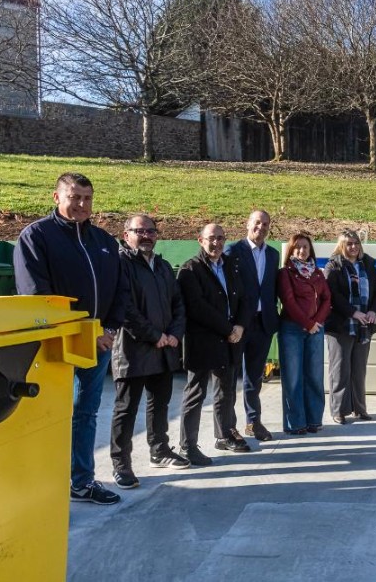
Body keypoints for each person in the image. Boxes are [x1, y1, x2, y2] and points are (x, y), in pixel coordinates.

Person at [14, 172, 128, 505]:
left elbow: (120, 290)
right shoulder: (37, 236)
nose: (81, 204)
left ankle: (81, 482)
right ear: (57, 197)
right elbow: (36, 295)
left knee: (86, 414)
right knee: (47, 416)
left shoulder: (105, 242)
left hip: (98, 345)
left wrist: (107, 330)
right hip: (54, 347)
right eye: (74, 197)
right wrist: (77, 334)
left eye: (87, 198)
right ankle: (41, 483)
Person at [109, 214, 189, 490]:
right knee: (126, 409)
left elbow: (178, 304)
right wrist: (155, 336)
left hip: (164, 349)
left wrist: (174, 335)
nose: (146, 235)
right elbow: (125, 308)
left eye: (151, 231)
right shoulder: (120, 264)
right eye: (139, 231)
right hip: (132, 350)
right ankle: (121, 464)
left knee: (160, 404)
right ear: (126, 233)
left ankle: (160, 450)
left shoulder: (164, 266)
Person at [177, 223, 253, 465]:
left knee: (226, 391)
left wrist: (240, 326)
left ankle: (224, 435)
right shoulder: (190, 270)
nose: (216, 243)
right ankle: (187, 447)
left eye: (221, 238)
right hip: (203, 341)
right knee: (195, 393)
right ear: (200, 240)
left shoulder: (231, 265)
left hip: (230, 340)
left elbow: (244, 299)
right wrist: (228, 329)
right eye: (211, 238)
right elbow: (198, 308)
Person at [225, 210, 279, 442]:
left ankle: (253, 422)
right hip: (238, 324)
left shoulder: (274, 254)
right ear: (247, 224)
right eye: (257, 222)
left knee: (255, 376)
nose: (261, 227)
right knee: (229, 376)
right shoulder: (233, 251)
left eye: (266, 224)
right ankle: (229, 426)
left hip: (263, 323)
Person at [324, 230, 376, 424]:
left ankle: (360, 408)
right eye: (349, 243)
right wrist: (353, 312)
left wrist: (374, 311)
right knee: (340, 369)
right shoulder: (333, 266)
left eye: (356, 243)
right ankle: (338, 410)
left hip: (364, 325)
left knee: (359, 369)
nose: (353, 247)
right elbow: (332, 294)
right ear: (342, 245)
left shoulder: (367, 264)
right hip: (342, 324)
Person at [276, 232, 331, 435]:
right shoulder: (285, 273)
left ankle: (314, 420)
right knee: (293, 378)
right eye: (297, 247)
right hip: (292, 330)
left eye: (305, 247)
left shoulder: (317, 273)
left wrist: (316, 322)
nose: (301, 250)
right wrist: (308, 323)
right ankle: (295, 423)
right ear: (291, 249)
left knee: (314, 377)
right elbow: (288, 302)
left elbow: (327, 298)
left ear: (311, 250)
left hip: (315, 330)